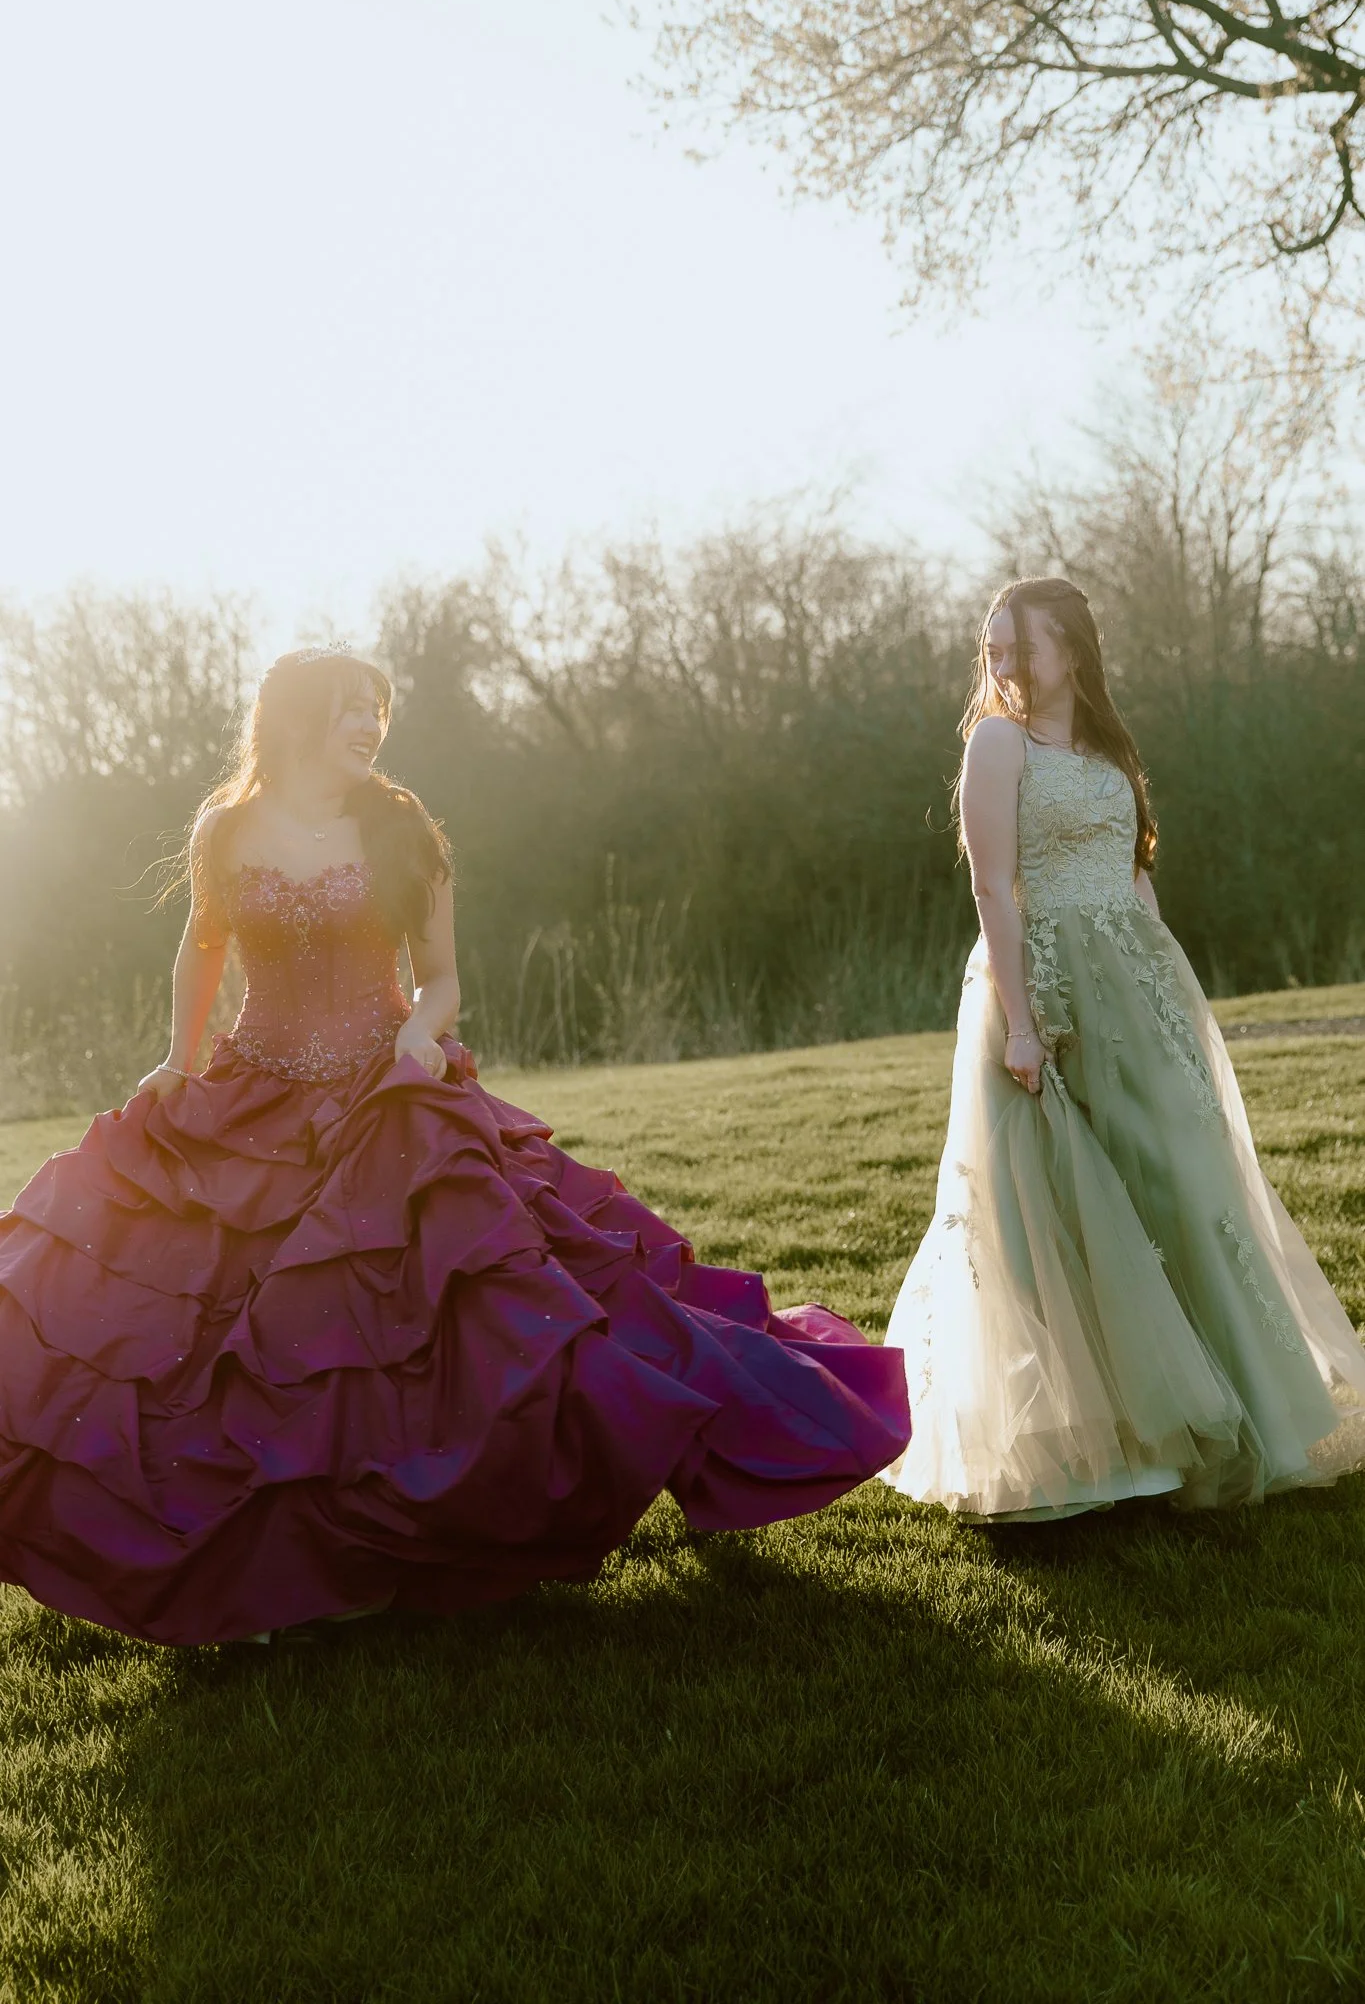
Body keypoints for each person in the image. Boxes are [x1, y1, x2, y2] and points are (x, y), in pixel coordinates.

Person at [0, 646, 909, 1644]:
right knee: (234, 1329)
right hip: (254, 1090)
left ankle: (416, 1531)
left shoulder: (404, 829)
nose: (368, 725)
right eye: (348, 708)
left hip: (389, 1090)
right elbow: (201, 945)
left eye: (376, 710)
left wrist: (421, 1035)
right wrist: (176, 1059)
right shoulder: (226, 829)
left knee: (477, 1309)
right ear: (294, 717)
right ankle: (262, 1556)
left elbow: (439, 976)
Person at [881, 577, 1365, 1520]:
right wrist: (1021, 1023)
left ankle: (1232, 1411)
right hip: (1041, 980)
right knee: (1060, 1205)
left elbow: (1135, 876)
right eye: (992, 647)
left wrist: (1170, 998)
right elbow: (991, 891)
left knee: (1179, 1179)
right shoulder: (996, 742)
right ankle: (1111, 1442)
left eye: (1019, 646)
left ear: (1070, 648)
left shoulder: (1106, 748)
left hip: (1133, 985)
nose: (1002, 663)